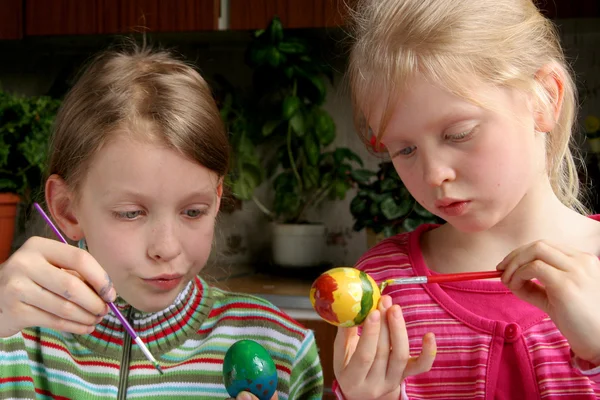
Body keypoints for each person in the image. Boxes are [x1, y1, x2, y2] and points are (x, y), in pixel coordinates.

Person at [0, 44, 323, 400]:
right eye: (131, 213)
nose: (166, 248)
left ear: (217, 200)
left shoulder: (280, 347)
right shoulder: (15, 340)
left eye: (193, 211)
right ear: (67, 209)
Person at [333, 0, 600, 398]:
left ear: (545, 99)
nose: (433, 174)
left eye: (459, 134)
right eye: (404, 150)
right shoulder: (384, 287)